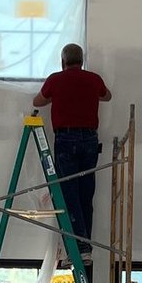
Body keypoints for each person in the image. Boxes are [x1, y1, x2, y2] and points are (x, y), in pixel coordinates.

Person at [33, 43, 111, 258]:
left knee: (68, 193)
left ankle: (78, 247)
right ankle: (85, 245)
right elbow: (107, 96)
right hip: (89, 140)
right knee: (86, 192)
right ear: (82, 61)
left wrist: (57, 96)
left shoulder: (55, 79)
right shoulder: (93, 79)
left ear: (62, 61)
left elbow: (38, 101)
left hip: (66, 139)